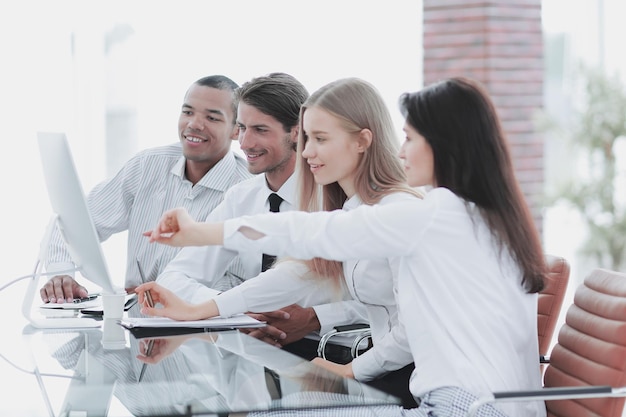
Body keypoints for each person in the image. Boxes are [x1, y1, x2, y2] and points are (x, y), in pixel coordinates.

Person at [138, 77, 548, 417]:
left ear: (444, 144)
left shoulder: (430, 214)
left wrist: (201, 233)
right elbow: (301, 270)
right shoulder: (468, 215)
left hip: (465, 408)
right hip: (460, 402)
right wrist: (200, 310)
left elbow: (307, 233)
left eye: (410, 138)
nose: (401, 150)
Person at [142, 78, 422, 408]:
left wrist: (351, 369)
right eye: (308, 138)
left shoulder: (395, 212)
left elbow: (293, 231)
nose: (307, 151)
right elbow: (296, 273)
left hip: (410, 381)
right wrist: (202, 309)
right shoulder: (349, 207)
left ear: (362, 141)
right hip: (387, 376)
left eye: (319, 139)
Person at [155, 72, 370, 366]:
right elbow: (174, 277)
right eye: (241, 128)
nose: (244, 142)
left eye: (259, 130)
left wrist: (316, 317)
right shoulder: (240, 198)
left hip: (331, 353)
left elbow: (379, 297)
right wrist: (239, 313)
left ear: (296, 132)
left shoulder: (336, 195)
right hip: (250, 351)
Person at [40, 75, 252, 304]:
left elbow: (240, 283)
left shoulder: (247, 190)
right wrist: (61, 274)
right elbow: (71, 224)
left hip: (207, 329)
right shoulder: (147, 166)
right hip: (136, 323)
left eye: (212, 117)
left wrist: (166, 294)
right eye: (188, 112)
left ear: (236, 131)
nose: (194, 124)